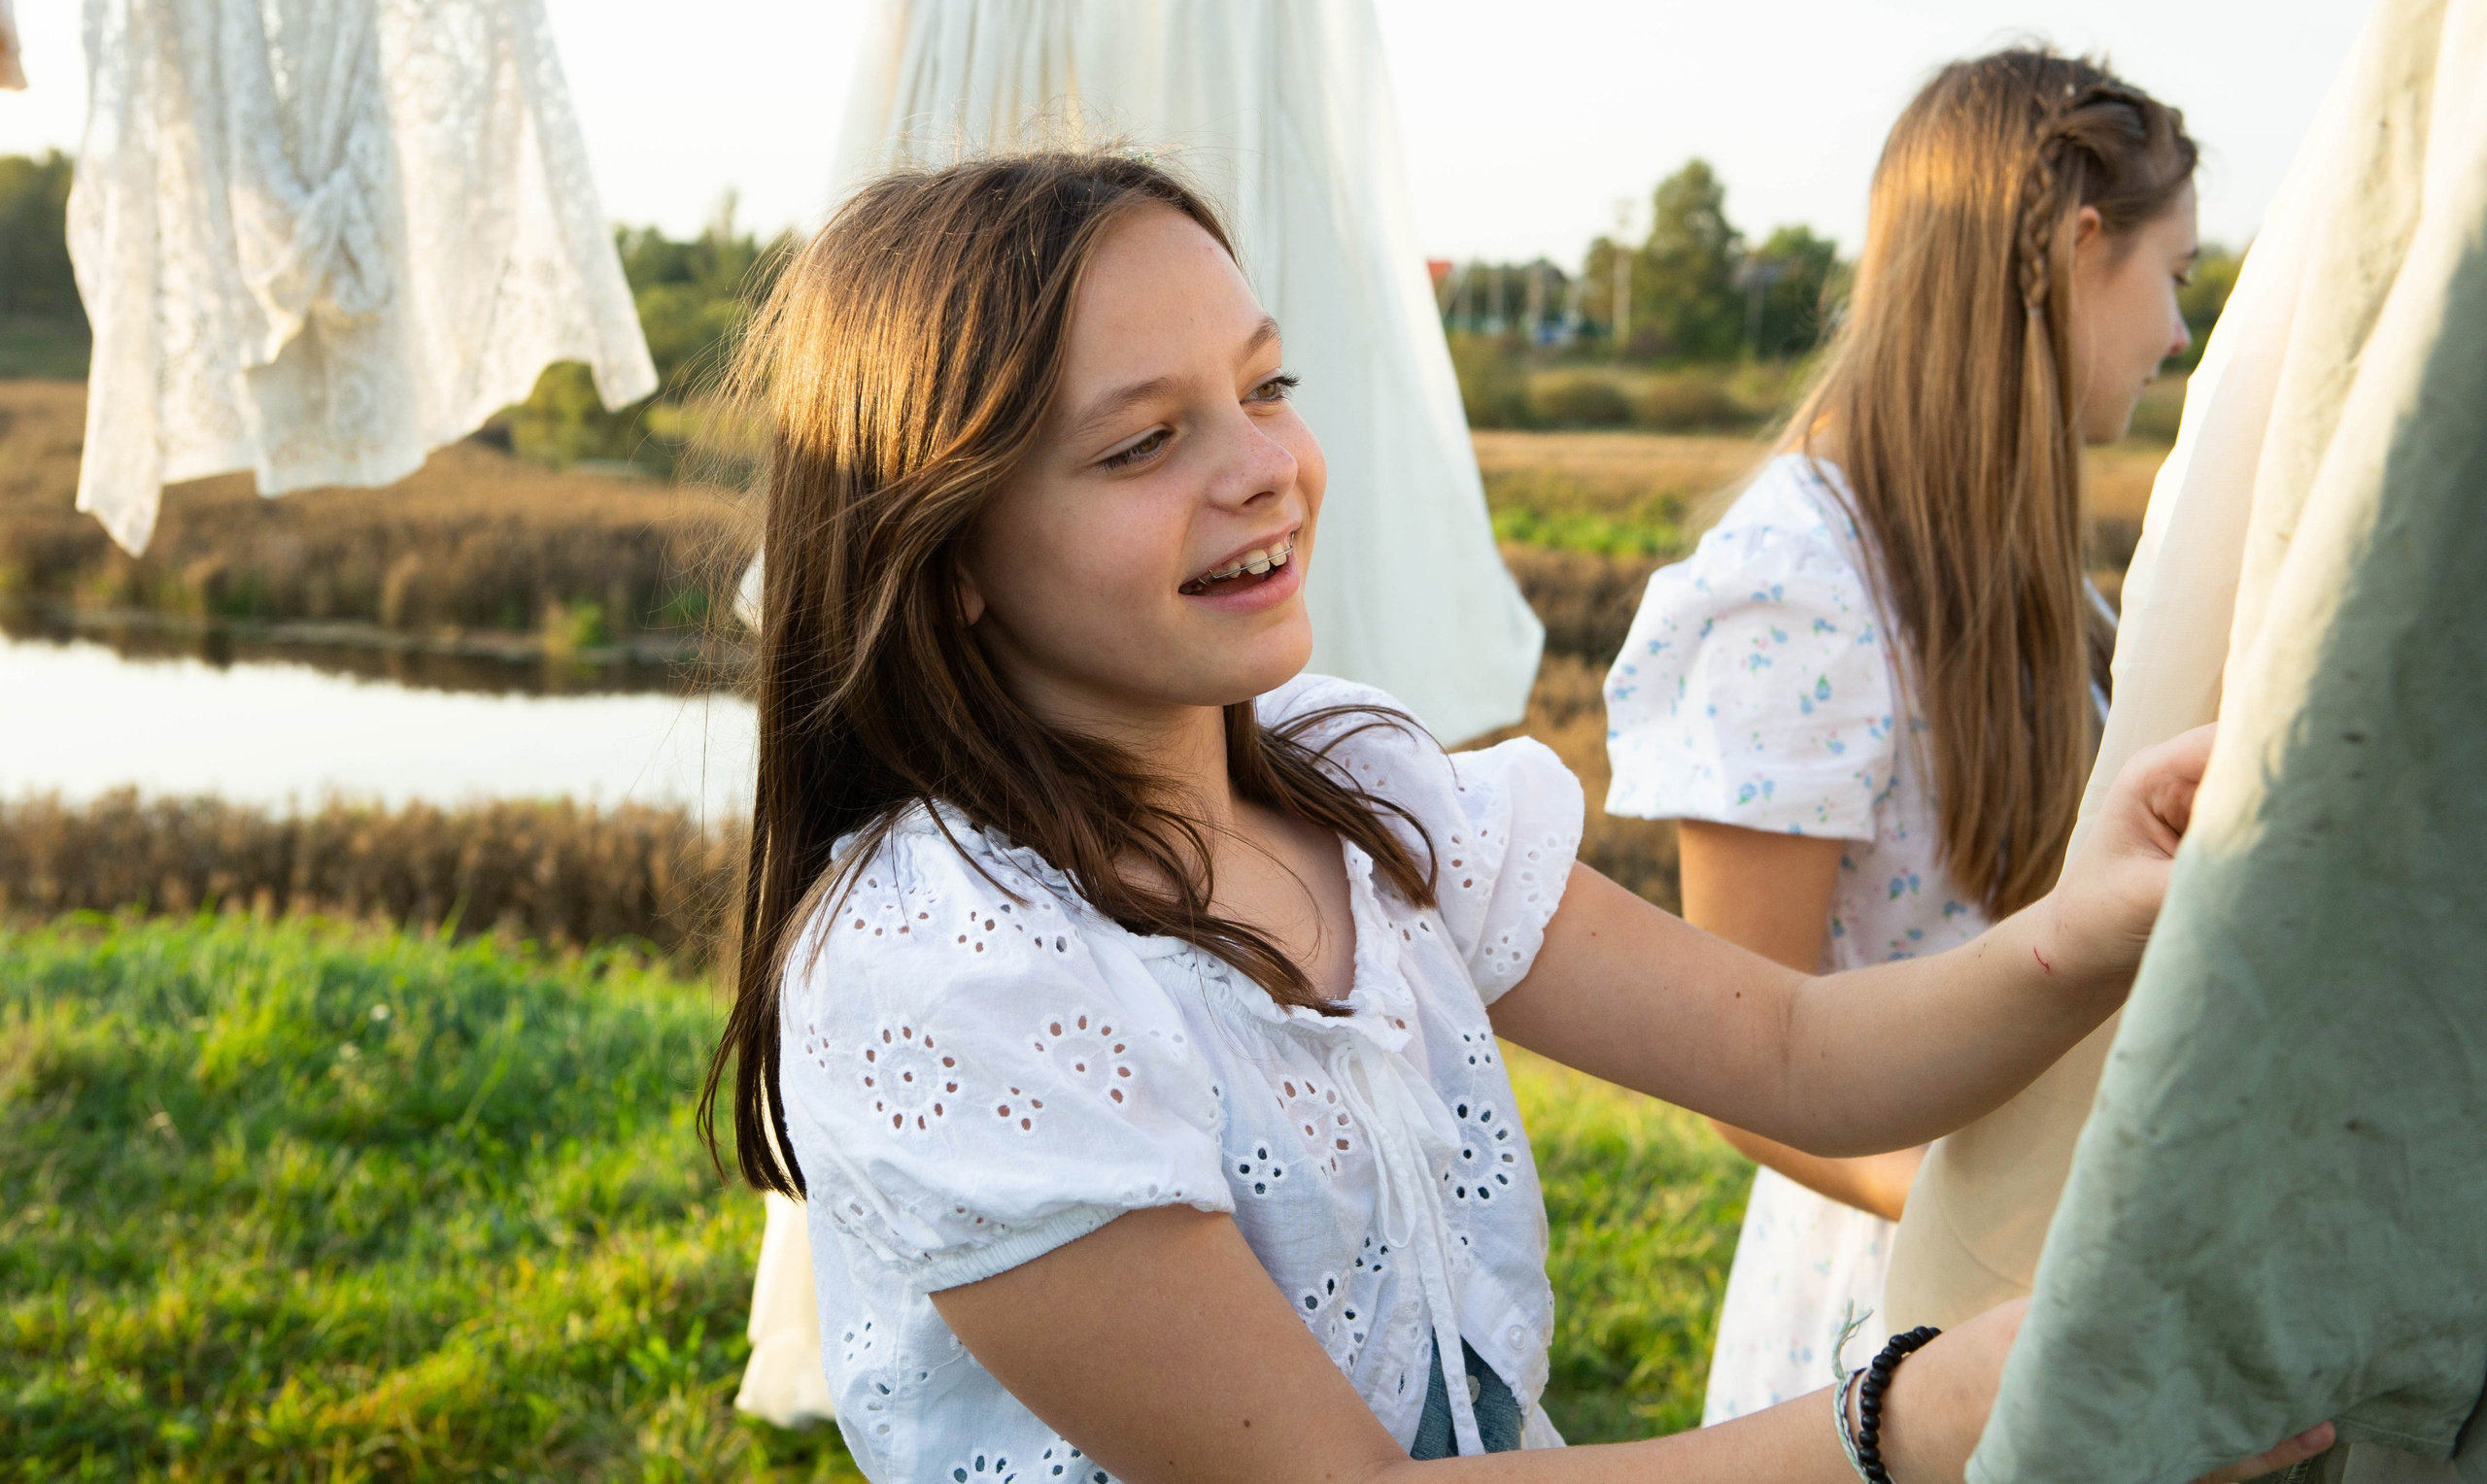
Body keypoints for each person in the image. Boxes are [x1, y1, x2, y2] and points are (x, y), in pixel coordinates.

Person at [701, 149, 2320, 1483]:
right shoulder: (948, 971)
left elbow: (1795, 1056)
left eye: (1267, 385)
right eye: (1143, 441)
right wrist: (1909, 1419)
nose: (1263, 466)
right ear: (951, 553)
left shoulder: (1360, 787)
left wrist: (2089, 922)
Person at [1601, 49, 2204, 1426]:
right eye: (2174, 277)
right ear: (2075, 245)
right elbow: (1747, 1066)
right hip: (1896, 1297)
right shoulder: (1799, 584)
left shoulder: (2025, 569)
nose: (2179, 335)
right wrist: (2023, 1231)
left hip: (2039, 1263)